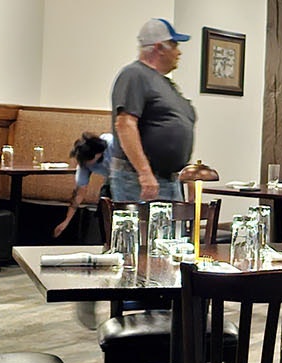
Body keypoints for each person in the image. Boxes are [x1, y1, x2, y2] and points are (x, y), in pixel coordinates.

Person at [109, 18, 195, 203]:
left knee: (171, 233)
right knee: (143, 232)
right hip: (140, 181)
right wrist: (145, 174)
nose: (179, 52)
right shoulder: (134, 75)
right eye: (174, 45)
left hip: (169, 181)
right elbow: (125, 124)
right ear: (159, 48)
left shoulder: (165, 83)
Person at [53, 131, 113, 238]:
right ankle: (106, 241)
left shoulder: (112, 144)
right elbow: (79, 193)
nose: (84, 163)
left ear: (97, 154)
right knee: (104, 205)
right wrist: (66, 221)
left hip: (133, 178)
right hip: (111, 183)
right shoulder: (84, 163)